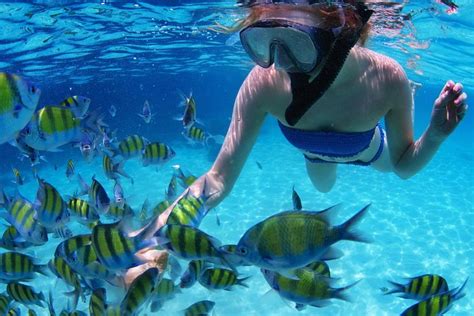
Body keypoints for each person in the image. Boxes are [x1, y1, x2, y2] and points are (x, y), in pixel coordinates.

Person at [140, 0, 467, 243]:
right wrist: (151, 238)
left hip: (368, 148)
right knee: (323, 186)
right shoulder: (264, 83)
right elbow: (217, 179)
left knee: (384, 164)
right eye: (265, 43)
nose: (280, 61)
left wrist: (435, 135)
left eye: (296, 43)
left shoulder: (386, 77)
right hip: (315, 155)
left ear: (343, 34)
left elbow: (403, 167)